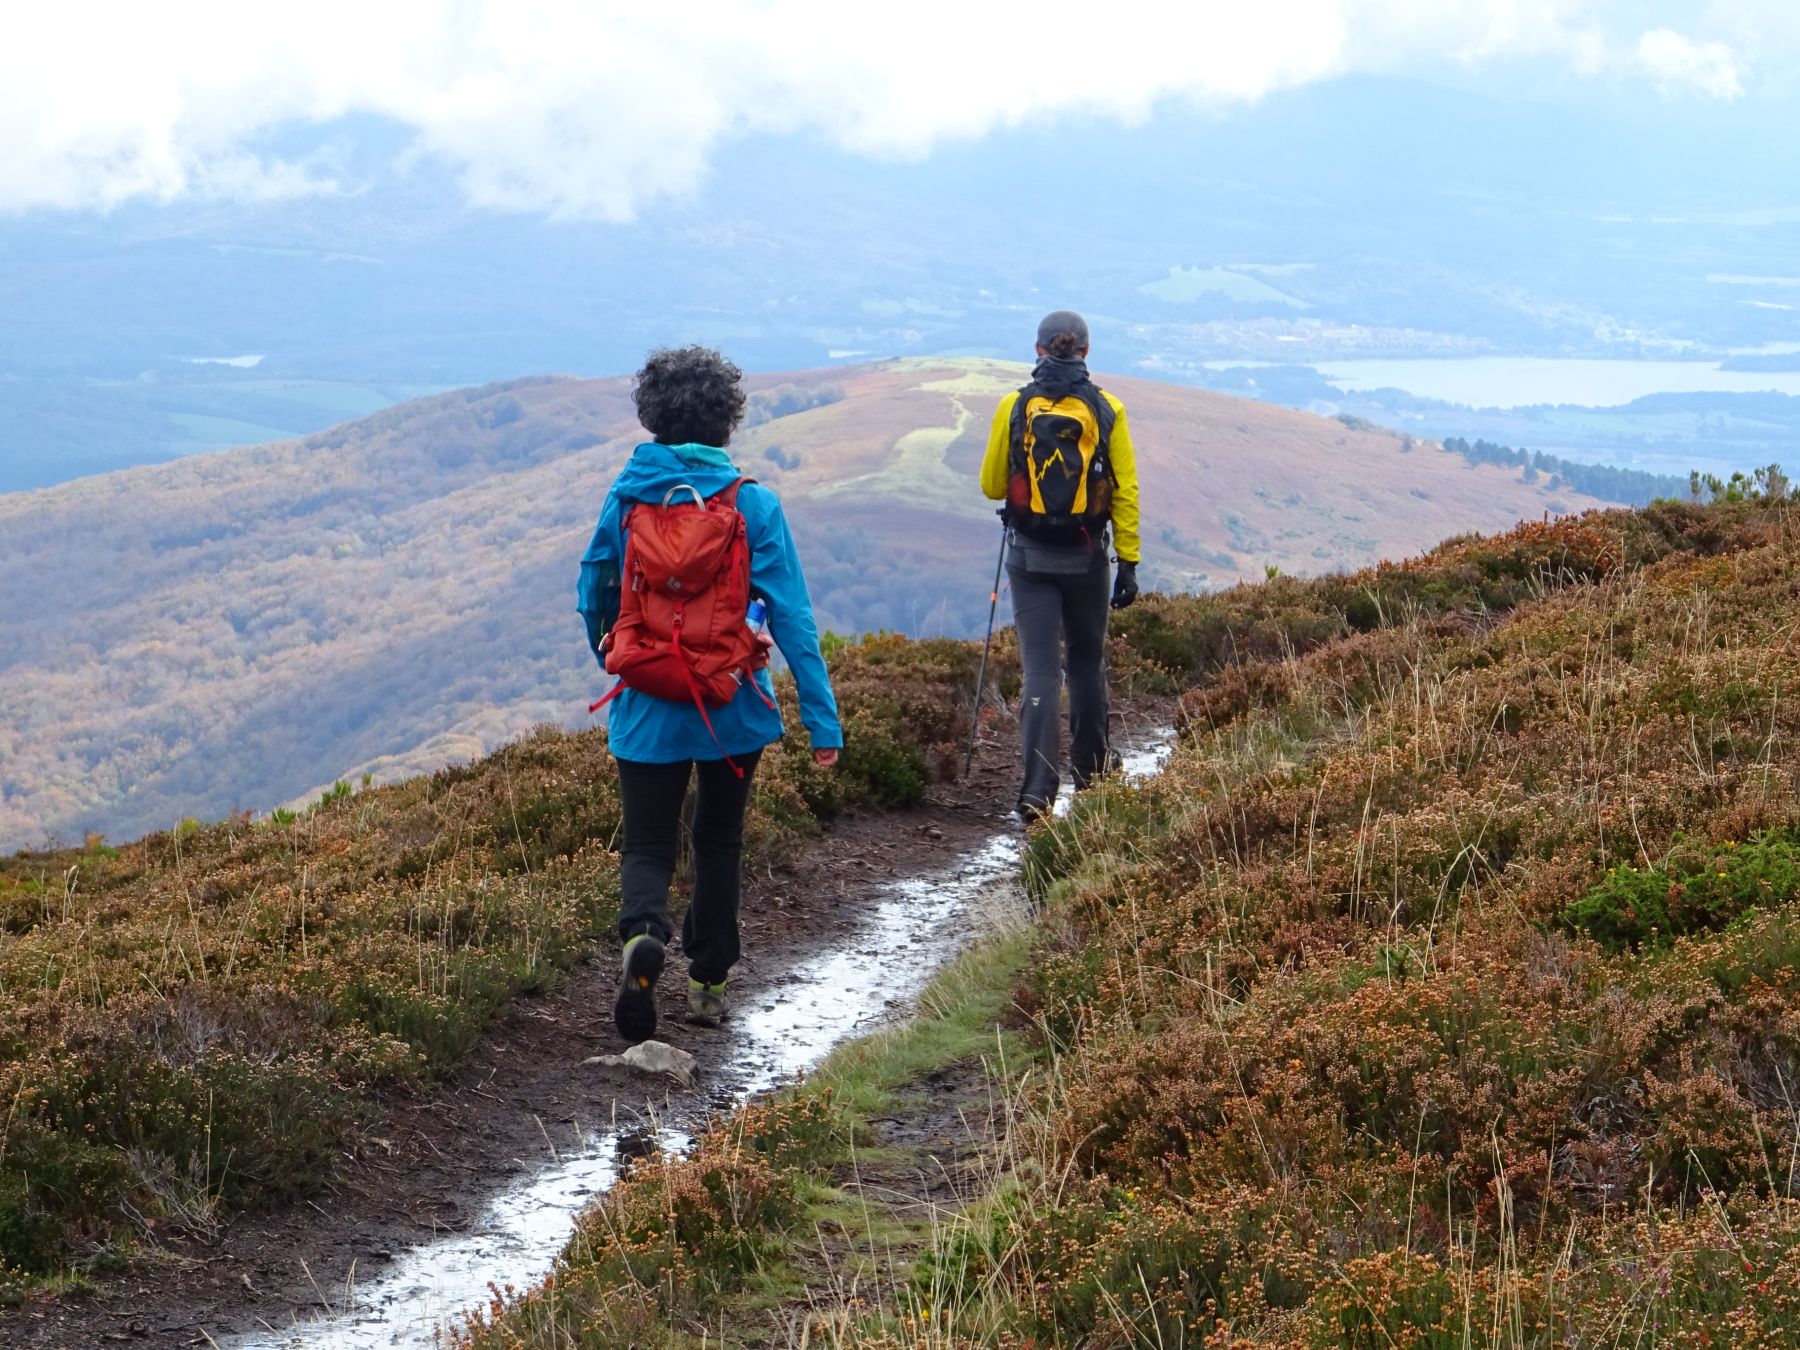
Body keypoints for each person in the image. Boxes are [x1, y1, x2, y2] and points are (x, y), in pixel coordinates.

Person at [578, 346, 843, 1043]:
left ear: (653, 416)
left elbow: (593, 588)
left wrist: (618, 656)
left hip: (646, 707)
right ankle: (707, 985)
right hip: (732, 706)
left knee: (646, 846)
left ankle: (643, 936)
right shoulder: (753, 503)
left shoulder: (629, 497)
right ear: (728, 420)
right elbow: (793, 616)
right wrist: (823, 722)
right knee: (719, 841)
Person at [979, 310, 1140, 820]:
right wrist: (1129, 561)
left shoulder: (1014, 405)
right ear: (1086, 352)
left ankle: (1036, 792)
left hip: (1029, 559)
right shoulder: (1108, 408)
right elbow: (1126, 491)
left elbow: (991, 486)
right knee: (1087, 663)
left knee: (1041, 674)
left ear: (1038, 349)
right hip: (1088, 557)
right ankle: (1092, 773)